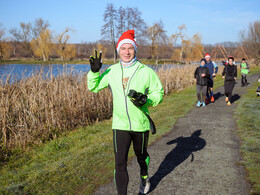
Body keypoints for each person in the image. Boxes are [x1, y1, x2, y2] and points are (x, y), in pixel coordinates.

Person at [87, 29, 164, 195]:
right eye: (123, 48)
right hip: (120, 124)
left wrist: (147, 100)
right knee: (119, 163)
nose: (126, 52)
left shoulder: (146, 71)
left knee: (141, 155)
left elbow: (159, 92)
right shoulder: (111, 71)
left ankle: (144, 176)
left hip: (140, 124)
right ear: (118, 51)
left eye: (130, 48)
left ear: (134, 50)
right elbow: (93, 87)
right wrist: (94, 72)